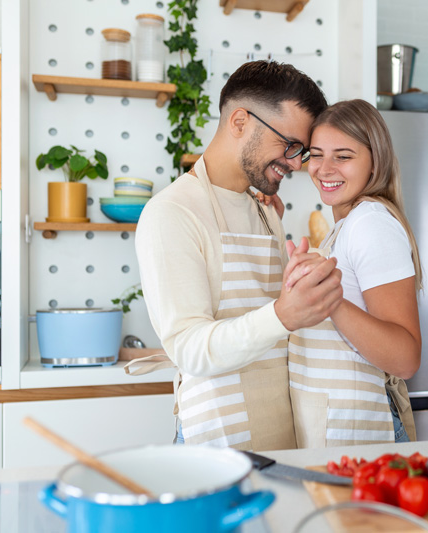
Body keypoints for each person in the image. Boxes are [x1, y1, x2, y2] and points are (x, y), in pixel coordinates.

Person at [133, 61, 343, 452]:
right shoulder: (173, 213)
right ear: (240, 121)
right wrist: (284, 315)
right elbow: (190, 348)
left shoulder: (264, 209)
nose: (297, 164)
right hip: (217, 439)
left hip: (282, 432)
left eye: (301, 151)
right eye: (290, 145)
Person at [287, 99, 423, 447]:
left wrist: (330, 300)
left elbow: (405, 357)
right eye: (316, 154)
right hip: (342, 431)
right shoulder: (346, 225)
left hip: (362, 436)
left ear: (374, 161)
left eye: (343, 156)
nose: (324, 168)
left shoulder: (369, 223)